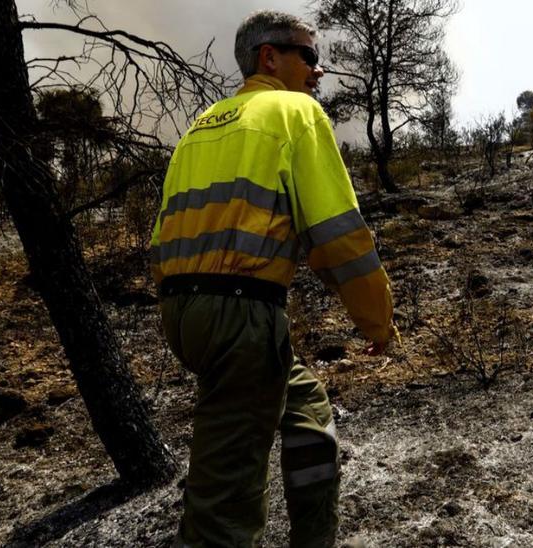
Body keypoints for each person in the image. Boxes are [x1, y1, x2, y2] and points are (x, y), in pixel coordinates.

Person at [149, 10, 396, 547]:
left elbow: (161, 234)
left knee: (306, 406)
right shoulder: (295, 112)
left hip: (182, 315)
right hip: (240, 317)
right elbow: (337, 237)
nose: (317, 70)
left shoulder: (200, 126)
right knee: (224, 510)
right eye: (308, 56)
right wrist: (377, 321)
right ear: (269, 57)